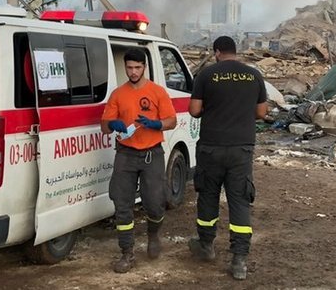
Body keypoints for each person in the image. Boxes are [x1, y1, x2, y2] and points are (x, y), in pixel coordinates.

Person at [187, 36, 268, 281]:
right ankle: (239, 260)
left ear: (217, 52)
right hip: (241, 149)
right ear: (236, 51)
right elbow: (262, 112)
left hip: (211, 148)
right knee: (240, 201)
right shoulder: (253, 75)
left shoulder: (206, 75)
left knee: (208, 196)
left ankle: (206, 246)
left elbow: (194, 110)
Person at [100, 48, 176, 273]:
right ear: (125, 67)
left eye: (137, 67)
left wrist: (157, 124)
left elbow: (171, 120)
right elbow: (104, 125)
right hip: (125, 154)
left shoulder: (157, 92)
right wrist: (113, 124)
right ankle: (127, 253)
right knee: (122, 204)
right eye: (129, 68)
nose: (133, 72)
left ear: (144, 67)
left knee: (154, 202)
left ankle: (153, 236)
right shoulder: (118, 94)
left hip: (152, 154)